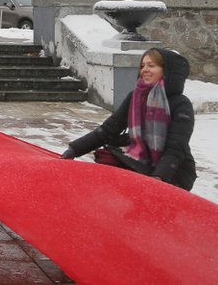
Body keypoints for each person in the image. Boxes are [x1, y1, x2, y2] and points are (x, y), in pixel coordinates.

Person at [61, 48, 197, 191]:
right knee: (107, 165)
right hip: (140, 158)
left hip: (172, 169)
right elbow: (108, 130)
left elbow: (175, 148)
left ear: (166, 71)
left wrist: (159, 177)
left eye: (151, 65)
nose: (145, 69)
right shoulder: (135, 97)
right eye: (142, 66)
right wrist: (74, 149)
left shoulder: (181, 104)